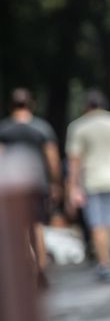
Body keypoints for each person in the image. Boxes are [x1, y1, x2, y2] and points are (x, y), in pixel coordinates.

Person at [66, 89, 110, 280]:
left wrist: (73, 186)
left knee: (97, 225)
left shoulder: (78, 127)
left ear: (85, 107)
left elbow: (74, 160)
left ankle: (105, 264)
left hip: (91, 182)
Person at [0, 88, 62, 284]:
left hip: (12, 185)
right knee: (37, 226)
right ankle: (40, 268)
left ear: (11, 106)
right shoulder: (41, 128)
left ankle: (28, 264)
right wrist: (55, 182)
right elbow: (52, 157)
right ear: (31, 104)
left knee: (19, 227)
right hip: (38, 183)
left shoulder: (4, 129)